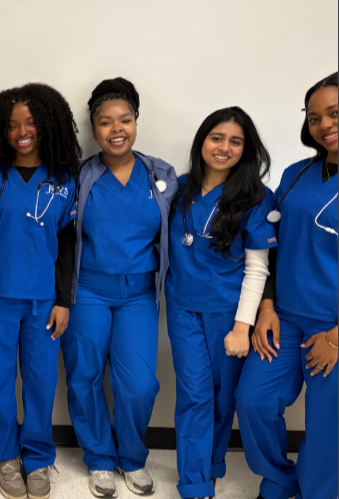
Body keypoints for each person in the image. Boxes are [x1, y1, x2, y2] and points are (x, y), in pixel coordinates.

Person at [61, 77, 177, 497]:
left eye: (124, 119)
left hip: (139, 294)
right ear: (93, 130)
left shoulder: (160, 175)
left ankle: (131, 456)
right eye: (106, 122)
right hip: (88, 289)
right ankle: (99, 458)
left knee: (140, 383)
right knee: (84, 374)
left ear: (136, 122)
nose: (116, 129)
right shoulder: (80, 177)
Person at [0, 82, 80, 499]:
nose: (22, 131)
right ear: (1, 130)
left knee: (40, 381)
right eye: (13, 125)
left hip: (44, 301)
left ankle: (36, 456)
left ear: (47, 125)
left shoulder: (65, 180)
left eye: (31, 122)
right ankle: (4, 456)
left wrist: (64, 300)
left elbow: (68, 244)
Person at [235, 72, 338, 499]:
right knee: (254, 400)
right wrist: (268, 306)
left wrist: (335, 336)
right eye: (314, 117)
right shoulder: (297, 174)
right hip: (285, 317)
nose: (324, 125)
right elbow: (275, 245)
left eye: (334, 113)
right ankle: (279, 480)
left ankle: (317, 492)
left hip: (331, 327)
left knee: (327, 426)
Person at [166, 107, 276, 499]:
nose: (224, 147)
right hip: (182, 309)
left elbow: (258, 267)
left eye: (235, 141)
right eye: (216, 137)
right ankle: (195, 485)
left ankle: (211, 465)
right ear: (201, 141)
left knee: (223, 397)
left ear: (246, 149)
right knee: (195, 394)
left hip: (230, 313)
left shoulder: (255, 198)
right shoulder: (177, 189)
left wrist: (242, 327)